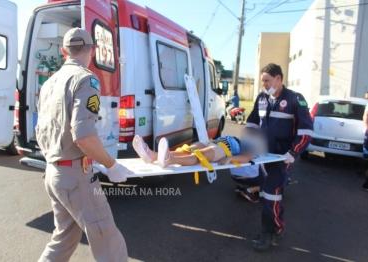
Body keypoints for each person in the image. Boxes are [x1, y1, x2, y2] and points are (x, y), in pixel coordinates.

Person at [36, 28, 132, 261]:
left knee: (64, 238)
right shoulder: (86, 79)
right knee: (107, 238)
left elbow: (41, 129)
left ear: (63, 51)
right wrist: (111, 164)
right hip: (75, 175)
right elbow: (84, 136)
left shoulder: (49, 83)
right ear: (93, 50)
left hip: (54, 171)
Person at [246, 63, 313, 251]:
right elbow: (252, 123)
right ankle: (274, 228)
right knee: (271, 194)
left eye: (267, 80)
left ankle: (270, 231)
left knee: (269, 193)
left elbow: (306, 131)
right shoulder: (262, 98)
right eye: (262, 81)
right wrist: (248, 143)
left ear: (278, 78)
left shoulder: (294, 99)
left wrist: (294, 153)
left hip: (282, 158)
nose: (264, 85)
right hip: (262, 156)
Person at [132, 134, 255, 168]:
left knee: (199, 156)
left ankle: (169, 160)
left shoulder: (255, 145)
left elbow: (248, 157)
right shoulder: (247, 138)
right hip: (216, 142)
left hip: (226, 149)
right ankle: (153, 156)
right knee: (188, 150)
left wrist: (230, 159)